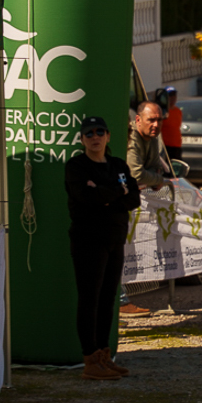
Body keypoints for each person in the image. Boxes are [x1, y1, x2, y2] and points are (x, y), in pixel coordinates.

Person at [64, 116, 142, 380]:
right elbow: (85, 198)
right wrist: (118, 191)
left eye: (100, 132)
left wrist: (106, 194)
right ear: (82, 139)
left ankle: (104, 355)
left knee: (108, 299)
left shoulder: (118, 165)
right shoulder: (76, 166)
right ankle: (90, 359)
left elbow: (134, 199)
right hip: (88, 240)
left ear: (108, 136)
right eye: (89, 133)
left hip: (115, 238)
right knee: (90, 299)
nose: (95, 137)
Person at [121, 101, 172, 318]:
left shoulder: (152, 139)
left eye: (159, 120)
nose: (156, 125)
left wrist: (153, 176)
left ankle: (120, 302)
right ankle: (120, 303)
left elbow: (155, 167)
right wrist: (156, 179)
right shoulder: (132, 139)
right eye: (151, 120)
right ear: (138, 120)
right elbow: (136, 173)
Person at [160, 86, 183, 161]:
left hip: (177, 146)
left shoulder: (178, 111)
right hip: (165, 146)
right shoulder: (162, 111)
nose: (173, 97)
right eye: (170, 95)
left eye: (174, 95)